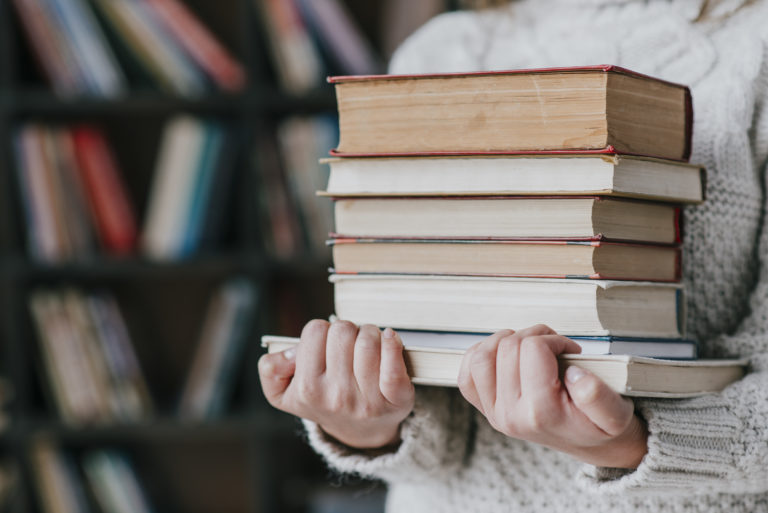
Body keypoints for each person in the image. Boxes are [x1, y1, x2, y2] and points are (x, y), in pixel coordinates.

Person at [258, 0, 768, 510]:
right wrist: (366, 423)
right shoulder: (441, 50)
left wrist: (631, 443)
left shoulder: (754, 43)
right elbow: (438, 422)